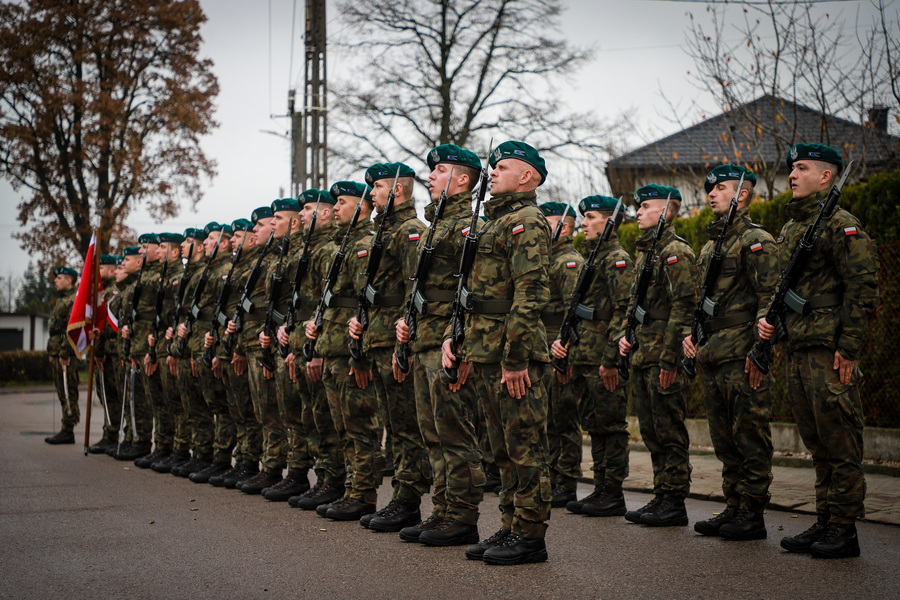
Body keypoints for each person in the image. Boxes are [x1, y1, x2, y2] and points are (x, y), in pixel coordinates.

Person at [758, 144, 879, 559]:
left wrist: (848, 348)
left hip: (828, 351)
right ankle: (826, 519)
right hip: (797, 347)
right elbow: (781, 287)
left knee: (840, 442)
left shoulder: (842, 225)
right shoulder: (793, 229)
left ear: (826, 176)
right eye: (792, 168)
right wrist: (769, 321)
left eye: (802, 168)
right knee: (817, 444)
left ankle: (845, 529)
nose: (792, 174)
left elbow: (862, 290)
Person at [442, 140, 553, 565]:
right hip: (486, 350)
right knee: (501, 450)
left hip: (512, 356)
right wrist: (463, 342)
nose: (493, 173)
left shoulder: (528, 221)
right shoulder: (493, 222)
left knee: (525, 449)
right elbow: (474, 295)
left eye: (502, 167)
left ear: (526, 175)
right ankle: (509, 526)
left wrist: (515, 359)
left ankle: (529, 536)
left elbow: (530, 295)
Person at [395, 144, 486, 546]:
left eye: (440, 170)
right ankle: (443, 510)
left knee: (456, 433)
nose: (430, 176)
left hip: (447, 343)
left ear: (463, 179)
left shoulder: (469, 226)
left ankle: (463, 517)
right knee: (432, 433)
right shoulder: (433, 227)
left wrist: (461, 342)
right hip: (424, 340)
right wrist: (404, 323)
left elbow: (472, 292)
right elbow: (417, 286)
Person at [682, 165, 777, 540]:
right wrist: (692, 336)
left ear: (743, 194)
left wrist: (760, 352)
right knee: (723, 437)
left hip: (741, 353)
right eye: (709, 189)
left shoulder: (757, 240)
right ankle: (734, 505)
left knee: (749, 434)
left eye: (720, 188)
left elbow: (770, 298)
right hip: (712, 352)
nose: (711, 194)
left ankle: (753, 513)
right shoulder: (710, 246)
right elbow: (701, 302)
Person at [348, 162, 430, 532]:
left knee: (407, 428)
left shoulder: (410, 231)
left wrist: (405, 343)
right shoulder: (382, 232)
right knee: (395, 428)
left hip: (396, 342)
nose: (372, 194)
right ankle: (400, 497)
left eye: (377, 187)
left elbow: (416, 290)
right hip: (377, 338)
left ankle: (408, 500)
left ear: (396, 190)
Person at [618, 184, 697, 527]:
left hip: (662, 355)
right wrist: (626, 335)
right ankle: (661, 494)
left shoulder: (676, 251)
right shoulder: (646, 252)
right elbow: (637, 305)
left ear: (666, 211)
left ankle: (675, 500)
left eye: (645, 206)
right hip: (643, 352)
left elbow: (684, 308)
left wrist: (670, 359)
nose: (638, 212)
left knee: (669, 429)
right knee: (651, 430)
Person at [551, 195, 633, 518]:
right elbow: (577, 312)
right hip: (585, 355)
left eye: (590, 217)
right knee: (595, 424)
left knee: (611, 426)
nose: (583, 223)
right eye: (583, 217)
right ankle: (600, 488)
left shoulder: (617, 259)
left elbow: (623, 310)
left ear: (609, 222)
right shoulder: (593, 258)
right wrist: (564, 345)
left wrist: (611, 357)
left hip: (603, 356)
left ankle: (612, 491)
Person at [304, 184, 377, 520]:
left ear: (360, 208)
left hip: (348, 349)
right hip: (333, 344)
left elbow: (366, 305)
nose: (335, 208)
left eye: (342, 202)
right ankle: (349, 488)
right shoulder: (343, 244)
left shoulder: (363, 244)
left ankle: (361, 493)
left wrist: (359, 352)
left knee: (359, 425)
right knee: (342, 425)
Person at [538, 201, 584, 509]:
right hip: (544, 344)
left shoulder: (568, 261)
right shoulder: (547, 259)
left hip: (559, 344)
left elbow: (573, 310)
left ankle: (566, 482)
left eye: (548, 223)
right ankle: (554, 478)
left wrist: (563, 348)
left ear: (563, 227)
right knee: (549, 420)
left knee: (563, 419)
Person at [88, 255, 124, 454]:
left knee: (114, 395)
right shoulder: (100, 293)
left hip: (114, 352)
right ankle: (108, 433)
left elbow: (107, 326)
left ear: (111, 271)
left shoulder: (112, 293)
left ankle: (113, 435)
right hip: (106, 351)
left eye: (101, 267)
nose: (97, 271)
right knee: (106, 395)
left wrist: (101, 350)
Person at [45, 265, 79, 444]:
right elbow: (55, 331)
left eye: (59, 278)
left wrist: (64, 352)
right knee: (61, 392)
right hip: (58, 353)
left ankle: (68, 429)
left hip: (67, 355)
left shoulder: (73, 300)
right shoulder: (62, 300)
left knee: (68, 391)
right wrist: (53, 351)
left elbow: (72, 330)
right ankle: (66, 427)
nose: (55, 281)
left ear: (69, 280)